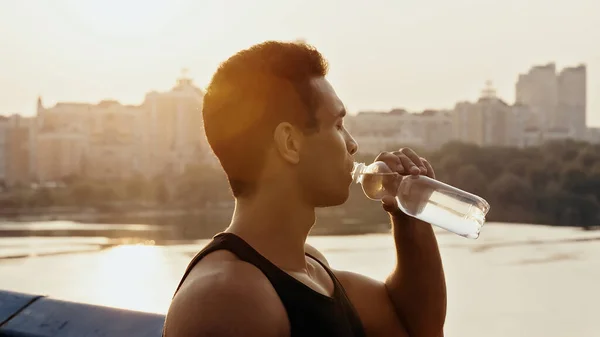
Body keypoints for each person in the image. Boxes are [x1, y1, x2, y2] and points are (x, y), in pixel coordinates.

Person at [163, 41, 446, 337]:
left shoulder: (308, 267)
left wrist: (409, 216)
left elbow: (416, 327)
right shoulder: (227, 299)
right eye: (337, 125)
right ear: (290, 143)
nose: (352, 144)